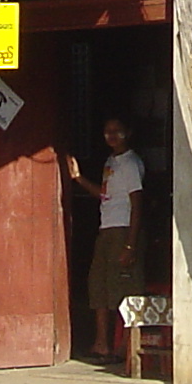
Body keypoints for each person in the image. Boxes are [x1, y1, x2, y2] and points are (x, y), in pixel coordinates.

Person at [65, 116, 146, 361]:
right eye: (107, 131)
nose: (111, 135)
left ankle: (125, 348)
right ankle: (102, 344)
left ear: (127, 132)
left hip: (123, 229)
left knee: (122, 289)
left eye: (117, 131)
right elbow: (104, 195)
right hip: (106, 228)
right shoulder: (112, 162)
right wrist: (78, 178)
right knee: (99, 285)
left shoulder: (131, 163)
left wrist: (130, 244)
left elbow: (137, 204)